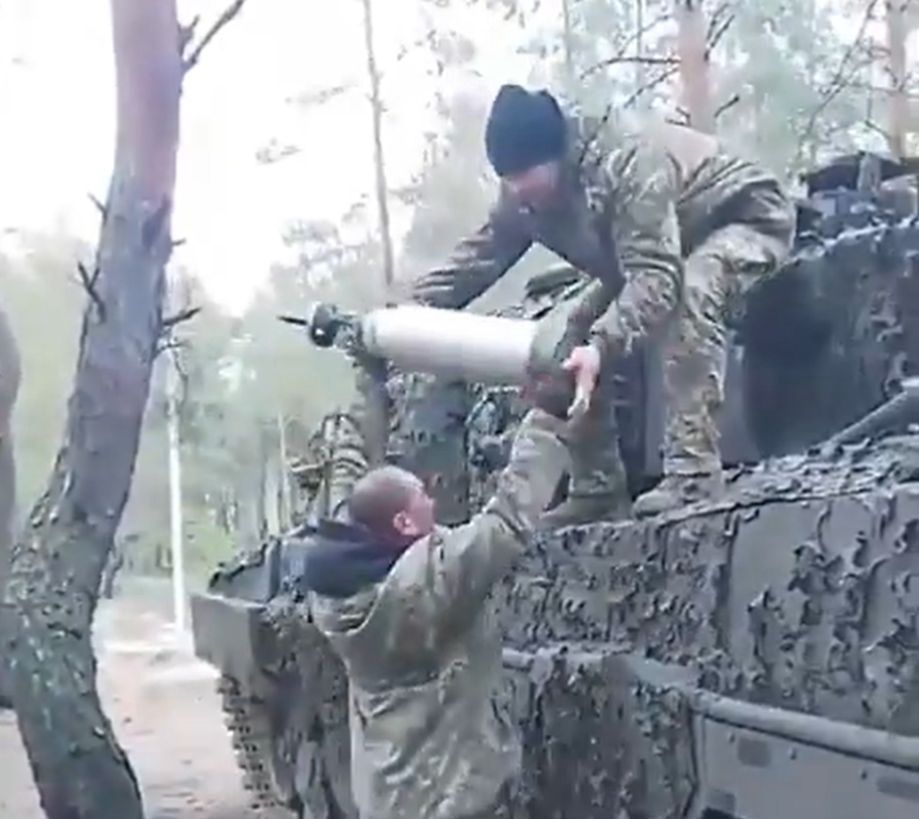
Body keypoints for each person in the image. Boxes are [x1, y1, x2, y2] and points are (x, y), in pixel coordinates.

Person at [411, 84, 796, 521]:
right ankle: (597, 487)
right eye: (509, 182)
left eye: (525, 179)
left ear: (555, 158)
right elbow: (482, 255)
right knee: (561, 336)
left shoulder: (629, 161)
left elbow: (656, 278)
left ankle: (693, 476)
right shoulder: (522, 194)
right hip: (650, 250)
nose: (518, 192)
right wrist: (411, 307)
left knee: (690, 296)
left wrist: (602, 345)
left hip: (737, 219)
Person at [302, 406, 576, 819]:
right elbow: (506, 523)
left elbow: (348, 505)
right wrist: (547, 416)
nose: (432, 501)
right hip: (443, 799)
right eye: (422, 498)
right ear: (404, 523)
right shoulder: (425, 586)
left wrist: (354, 427)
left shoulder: (335, 587)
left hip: (387, 793)